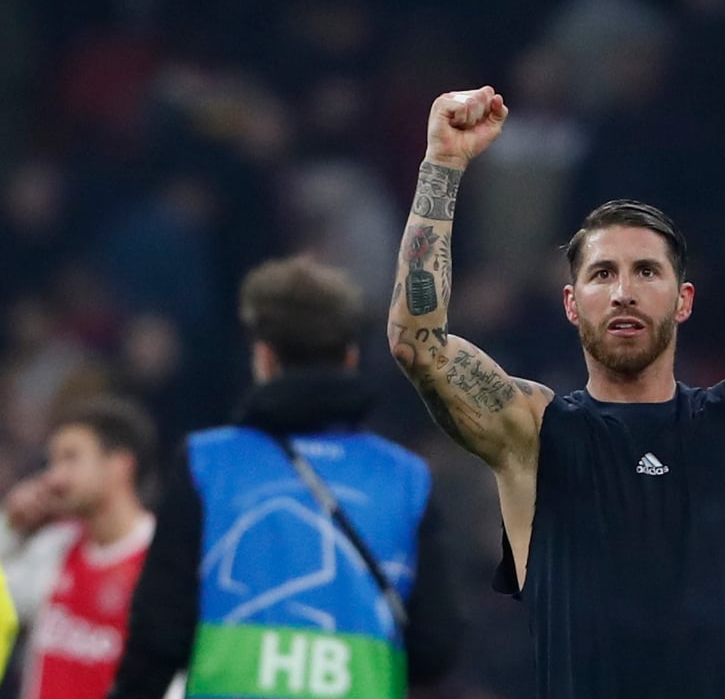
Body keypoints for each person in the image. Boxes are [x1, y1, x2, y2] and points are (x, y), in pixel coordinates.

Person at [388, 85, 725, 698]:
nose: (624, 292)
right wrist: (442, 165)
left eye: (646, 272)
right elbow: (418, 344)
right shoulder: (534, 433)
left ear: (683, 300)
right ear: (571, 304)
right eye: (602, 274)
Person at [110, 256, 461, 699]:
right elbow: (434, 650)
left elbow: (159, 634)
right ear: (351, 358)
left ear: (264, 357)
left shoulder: (207, 462)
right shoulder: (406, 479)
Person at [0, 397, 158, 699]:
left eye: (70, 459)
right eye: (52, 463)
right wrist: (10, 528)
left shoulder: (159, 558)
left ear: (119, 466)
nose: (53, 477)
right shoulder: (54, 548)